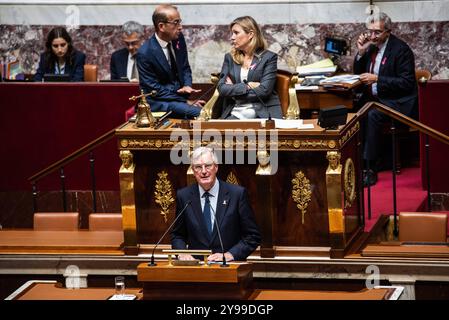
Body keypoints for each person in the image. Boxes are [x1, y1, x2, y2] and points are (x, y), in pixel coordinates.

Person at [353, 12, 417, 187]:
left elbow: (407, 83)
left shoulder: (400, 49)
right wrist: (360, 52)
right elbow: (357, 74)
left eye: (377, 32)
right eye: (369, 31)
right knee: (355, 110)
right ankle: (356, 161)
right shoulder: (371, 46)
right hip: (376, 99)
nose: (372, 36)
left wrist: (378, 79)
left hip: (398, 101)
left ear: (388, 31)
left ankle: (370, 168)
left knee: (372, 114)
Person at [171, 147, 261, 262]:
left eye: (208, 166)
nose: (204, 171)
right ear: (193, 171)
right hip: (197, 269)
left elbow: (252, 236)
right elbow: (177, 235)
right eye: (198, 167)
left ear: (216, 167)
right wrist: (181, 253)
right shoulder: (184, 196)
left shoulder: (237, 194)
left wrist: (230, 255)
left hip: (229, 267)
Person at [136, 4, 203, 119]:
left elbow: (185, 67)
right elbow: (155, 90)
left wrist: (187, 85)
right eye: (176, 23)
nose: (180, 27)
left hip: (178, 99)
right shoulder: (145, 53)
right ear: (161, 26)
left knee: (210, 110)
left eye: (180, 21)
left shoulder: (178, 38)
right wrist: (184, 101)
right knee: (200, 114)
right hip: (160, 102)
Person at [216, 16, 282, 119]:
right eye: (232, 33)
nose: (232, 37)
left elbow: (264, 91)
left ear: (250, 34)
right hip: (236, 112)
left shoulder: (269, 57)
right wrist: (247, 86)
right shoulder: (229, 58)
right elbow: (222, 89)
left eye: (236, 33)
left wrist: (233, 91)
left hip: (262, 113)